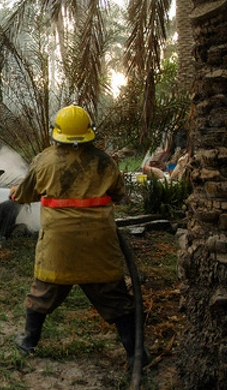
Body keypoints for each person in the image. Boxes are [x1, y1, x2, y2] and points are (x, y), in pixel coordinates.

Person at [9, 104, 143, 368]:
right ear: (88, 132)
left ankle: (28, 342)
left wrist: (15, 192)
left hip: (59, 247)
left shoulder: (43, 161)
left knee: (43, 293)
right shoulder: (105, 162)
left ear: (56, 133)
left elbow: (23, 194)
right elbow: (118, 193)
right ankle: (135, 353)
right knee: (115, 298)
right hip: (99, 245)